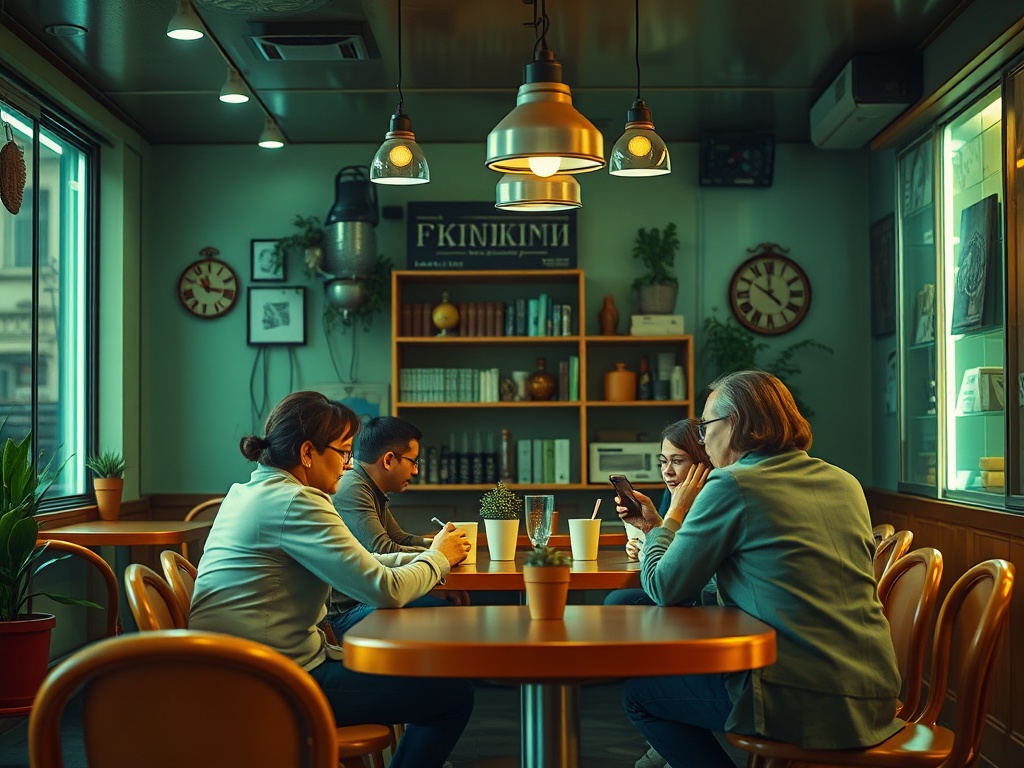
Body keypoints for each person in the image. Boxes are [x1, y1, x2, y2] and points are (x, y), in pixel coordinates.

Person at [617, 371, 902, 768]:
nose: (702, 440)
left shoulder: (732, 484)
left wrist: (669, 517)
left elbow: (665, 587)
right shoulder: (845, 481)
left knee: (640, 696)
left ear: (733, 424)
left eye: (705, 427)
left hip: (802, 702)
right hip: (876, 693)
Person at [188, 391, 474, 768]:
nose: (348, 463)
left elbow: (362, 561)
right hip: (271, 684)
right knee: (452, 695)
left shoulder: (250, 491)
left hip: (234, 674)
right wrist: (438, 559)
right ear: (308, 453)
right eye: (343, 452)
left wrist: (428, 557)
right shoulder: (297, 502)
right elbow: (383, 589)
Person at [329, 416, 464, 636]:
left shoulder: (369, 487)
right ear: (389, 460)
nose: (415, 471)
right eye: (413, 461)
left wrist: (441, 545)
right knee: (451, 614)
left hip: (367, 597)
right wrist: (439, 552)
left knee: (456, 607)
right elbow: (383, 549)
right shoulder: (351, 487)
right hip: (346, 611)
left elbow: (399, 539)